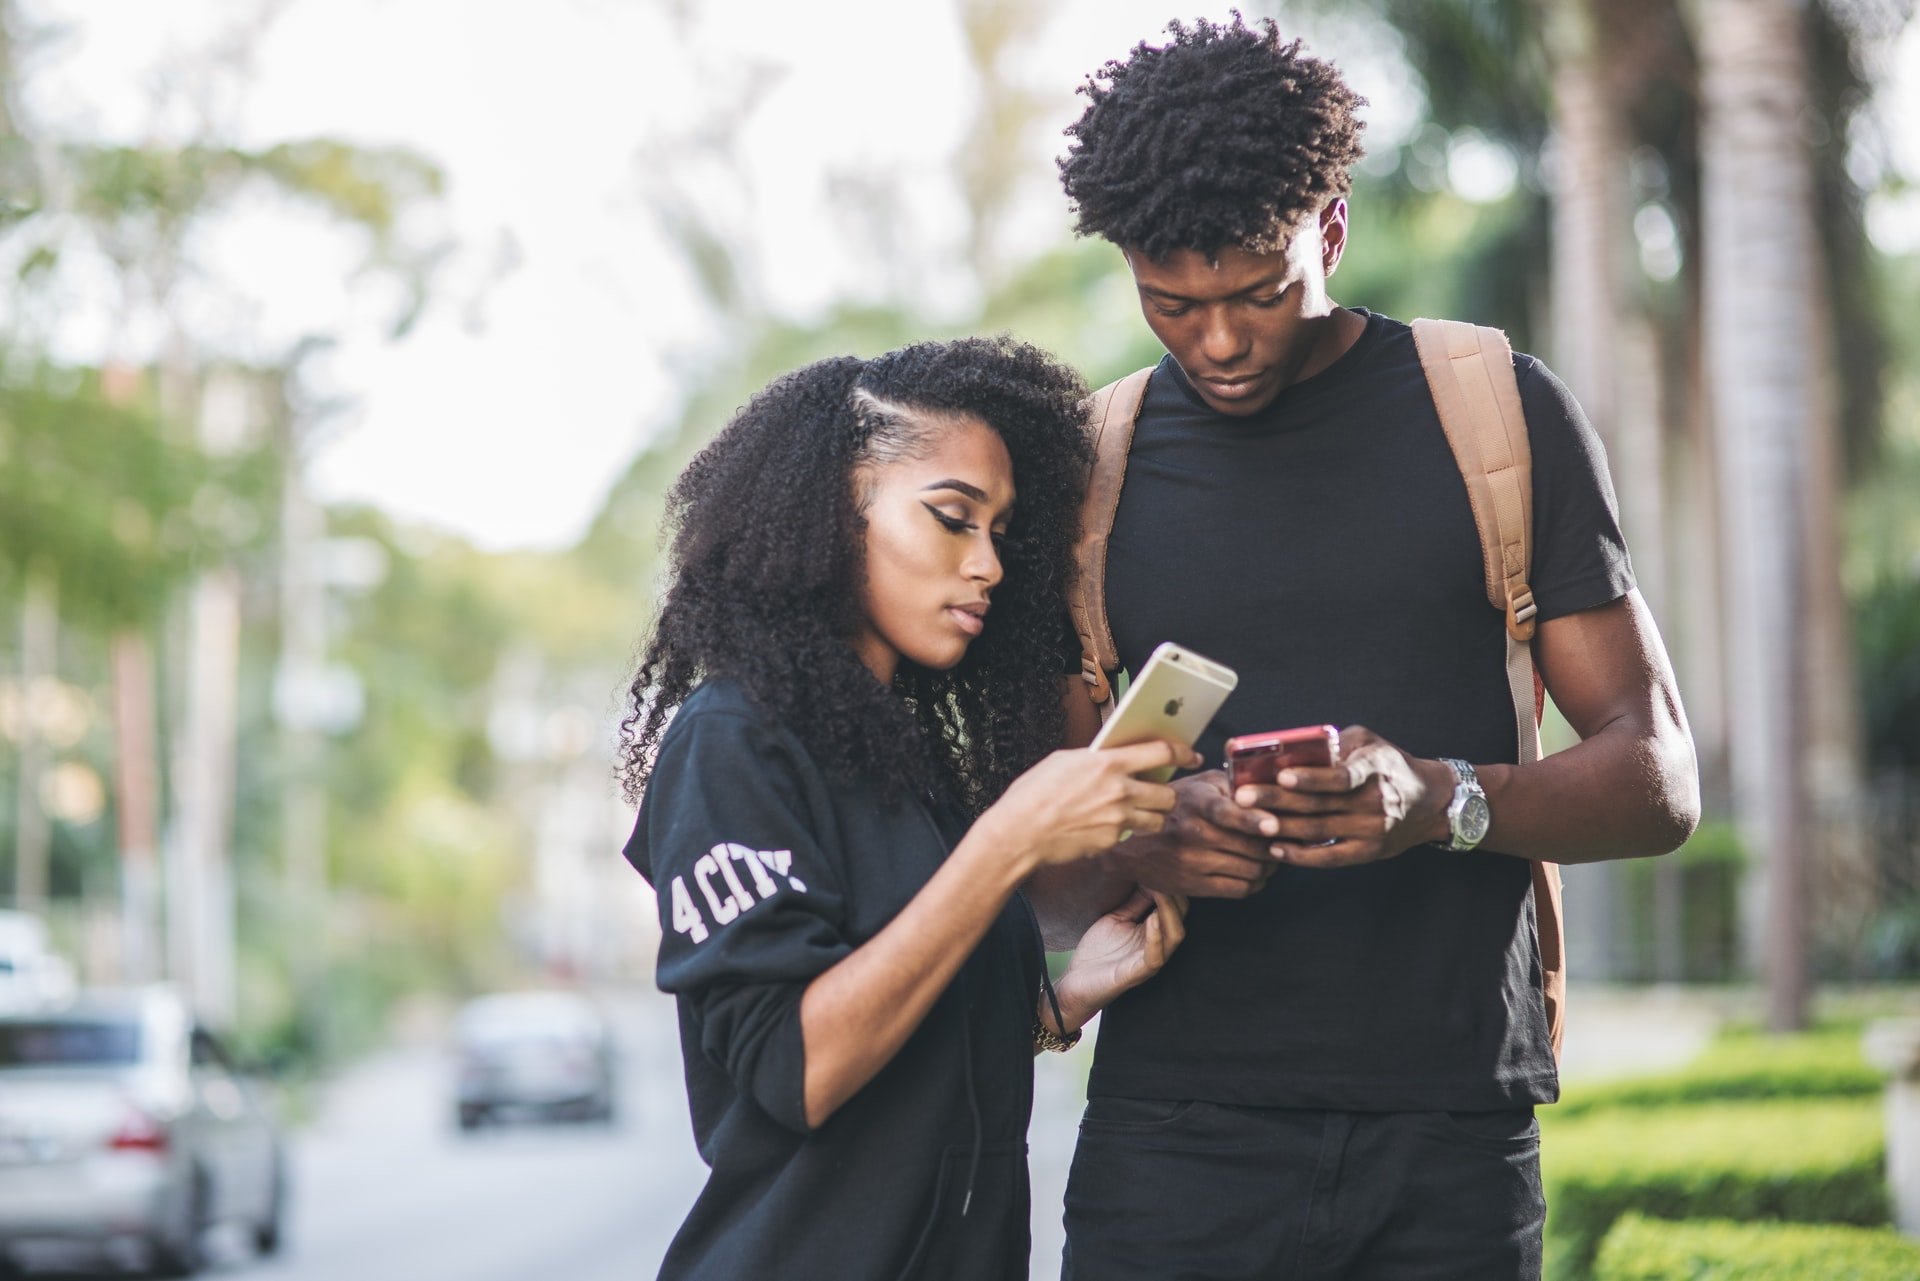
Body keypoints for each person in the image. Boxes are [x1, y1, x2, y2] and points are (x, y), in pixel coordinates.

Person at [1029, 17, 1704, 1280]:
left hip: (1453, 1133)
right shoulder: (1097, 471)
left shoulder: (1496, 412)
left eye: (1258, 292)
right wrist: (1146, 832)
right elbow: (1043, 863)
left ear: (1330, 230)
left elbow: (1660, 782)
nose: (1219, 343)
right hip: (1175, 1139)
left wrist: (1440, 800)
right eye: (1172, 303)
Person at [617, 336, 1196, 1281]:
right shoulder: (731, 741)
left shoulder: (895, 748)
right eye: (953, 519)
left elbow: (911, 1039)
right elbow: (798, 1068)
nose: (989, 567)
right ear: (834, 513)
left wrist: (1062, 996)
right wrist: (1006, 843)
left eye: (1000, 534)